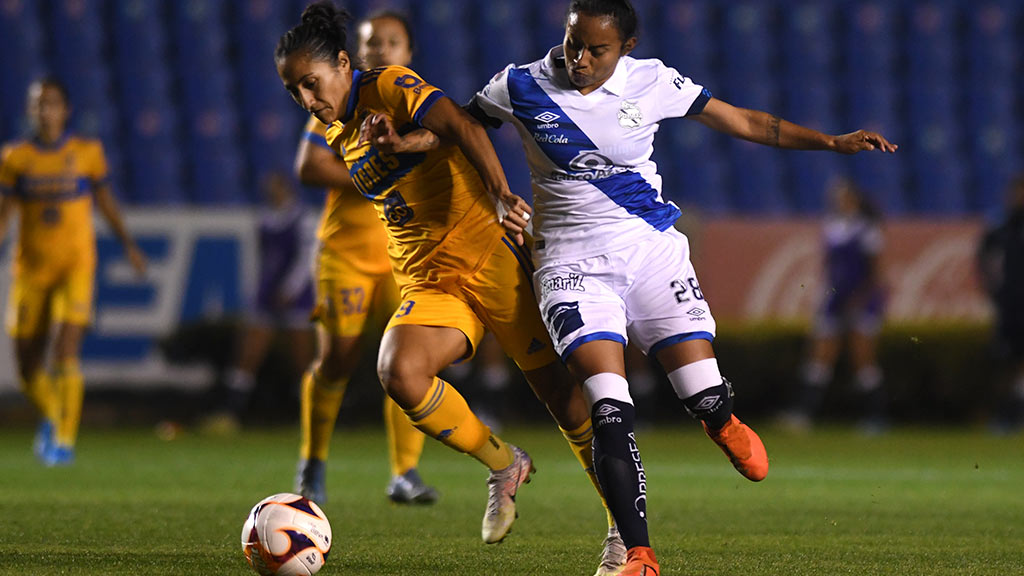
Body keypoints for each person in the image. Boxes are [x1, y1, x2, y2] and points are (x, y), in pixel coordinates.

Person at [389, 1, 893, 573]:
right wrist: (413, 143)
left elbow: (746, 122)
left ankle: (719, 419)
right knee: (608, 406)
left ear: (624, 48)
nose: (578, 59)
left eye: (596, 50)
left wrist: (831, 143)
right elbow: (462, 125)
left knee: (701, 392)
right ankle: (638, 553)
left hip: (652, 253)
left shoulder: (652, 81)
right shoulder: (520, 83)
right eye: (572, 43)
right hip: (569, 264)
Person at [276, 4, 624, 571]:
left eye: (311, 83)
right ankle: (503, 463)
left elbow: (460, 126)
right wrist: (397, 147)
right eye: (295, 91)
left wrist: (497, 192)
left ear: (343, 63)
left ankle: (621, 533)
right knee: (399, 371)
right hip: (428, 278)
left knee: (564, 398)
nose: (308, 99)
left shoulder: (389, 84)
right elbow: (405, 153)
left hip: (488, 256)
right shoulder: (337, 133)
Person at [292, 10, 441, 506]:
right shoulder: (338, 104)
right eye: (371, 43)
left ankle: (406, 472)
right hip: (348, 253)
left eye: (392, 42)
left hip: (406, 255)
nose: (380, 50)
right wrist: (370, 174)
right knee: (337, 359)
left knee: (409, 360)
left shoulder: (416, 104)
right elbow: (309, 166)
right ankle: (312, 461)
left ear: (410, 53)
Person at [0, 77, 147, 466]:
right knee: (27, 365)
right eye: (37, 104)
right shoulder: (14, 158)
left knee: (65, 352)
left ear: (65, 110)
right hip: (30, 271)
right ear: (30, 112)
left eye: (51, 103)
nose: (44, 111)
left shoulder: (86, 153)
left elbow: (106, 202)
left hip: (75, 268)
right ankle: (52, 415)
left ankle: (63, 442)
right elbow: (4, 215)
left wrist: (129, 245)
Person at [200, 172, 316, 435]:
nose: (270, 191)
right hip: (267, 295)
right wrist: (258, 289)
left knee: (301, 360)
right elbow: (263, 260)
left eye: (274, 186)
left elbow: (306, 259)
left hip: (296, 297)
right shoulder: (264, 220)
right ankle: (230, 413)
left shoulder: (302, 218)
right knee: (247, 355)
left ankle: (312, 418)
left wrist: (290, 289)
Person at [782, 178, 888, 433]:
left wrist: (860, 300)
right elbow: (831, 268)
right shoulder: (832, 227)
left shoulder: (868, 229)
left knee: (863, 360)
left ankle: (876, 418)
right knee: (819, 359)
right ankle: (802, 414)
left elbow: (875, 271)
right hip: (835, 299)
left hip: (862, 300)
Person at [977, 174, 1024, 432]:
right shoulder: (1002, 227)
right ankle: (1006, 414)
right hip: (1010, 305)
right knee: (1005, 361)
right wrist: (993, 290)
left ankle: (1013, 414)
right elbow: (983, 257)